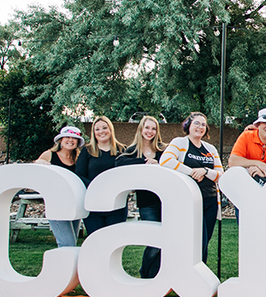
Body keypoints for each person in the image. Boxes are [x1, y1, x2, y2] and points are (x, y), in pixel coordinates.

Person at [160, 112, 223, 263]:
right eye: (196, 123)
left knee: (205, 241)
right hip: (189, 200)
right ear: (188, 125)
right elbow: (165, 160)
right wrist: (192, 173)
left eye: (203, 124)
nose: (200, 127)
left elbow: (220, 174)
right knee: (195, 240)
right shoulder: (180, 143)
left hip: (210, 200)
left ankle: (199, 276)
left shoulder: (210, 149)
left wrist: (205, 171)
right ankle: (187, 275)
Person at [116, 116, 167, 278]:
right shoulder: (131, 151)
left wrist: (157, 163)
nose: (150, 132)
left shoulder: (163, 149)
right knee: (154, 242)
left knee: (166, 241)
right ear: (140, 129)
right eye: (147, 128)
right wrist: (144, 161)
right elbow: (119, 164)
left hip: (168, 200)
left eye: (153, 129)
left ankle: (156, 276)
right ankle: (145, 273)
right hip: (147, 202)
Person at [34, 125, 85, 248]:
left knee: (73, 241)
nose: (70, 140)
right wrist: (39, 163)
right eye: (67, 137)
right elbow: (36, 170)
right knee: (67, 243)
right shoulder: (50, 155)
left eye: (74, 138)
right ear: (60, 140)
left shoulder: (78, 158)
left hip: (74, 204)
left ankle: (70, 267)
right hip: (57, 205)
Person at [76, 116, 127, 235]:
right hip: (93, 205)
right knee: (96, 241)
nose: (101, 131)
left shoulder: (122, 150)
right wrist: (98, 187)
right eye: (97, 129)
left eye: (104, 128)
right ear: (93, 133)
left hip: (116, 204)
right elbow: (79, 175)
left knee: (114, 240)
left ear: (110, 129)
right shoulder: (87, 151)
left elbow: (126, 175)